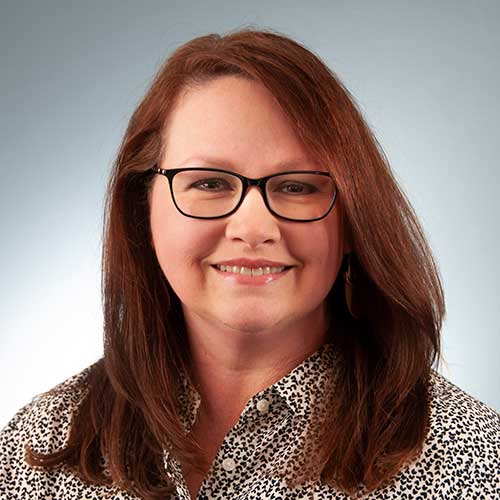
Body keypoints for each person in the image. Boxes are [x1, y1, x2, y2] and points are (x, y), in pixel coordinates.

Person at [1, 27, 498, 500]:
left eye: (297, 186)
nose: (253, 227)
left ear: (352, 221)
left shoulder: (471, 464)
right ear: (142, 209)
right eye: (210, 183)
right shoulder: (35, 451)